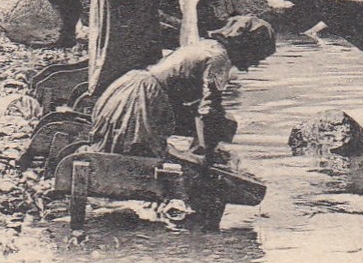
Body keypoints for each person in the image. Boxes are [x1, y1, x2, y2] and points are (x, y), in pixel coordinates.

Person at [85, 15, 277, 159]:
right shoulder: (220, 59)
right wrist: (208, 155)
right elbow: (209, 108)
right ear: (247, 47)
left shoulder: (207, 45)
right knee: (220, 121)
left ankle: (195, 156)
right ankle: (199, 165)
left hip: (130, 87)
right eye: (258, 57)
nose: (255, 64)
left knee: (224, 120)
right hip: (142, 99)